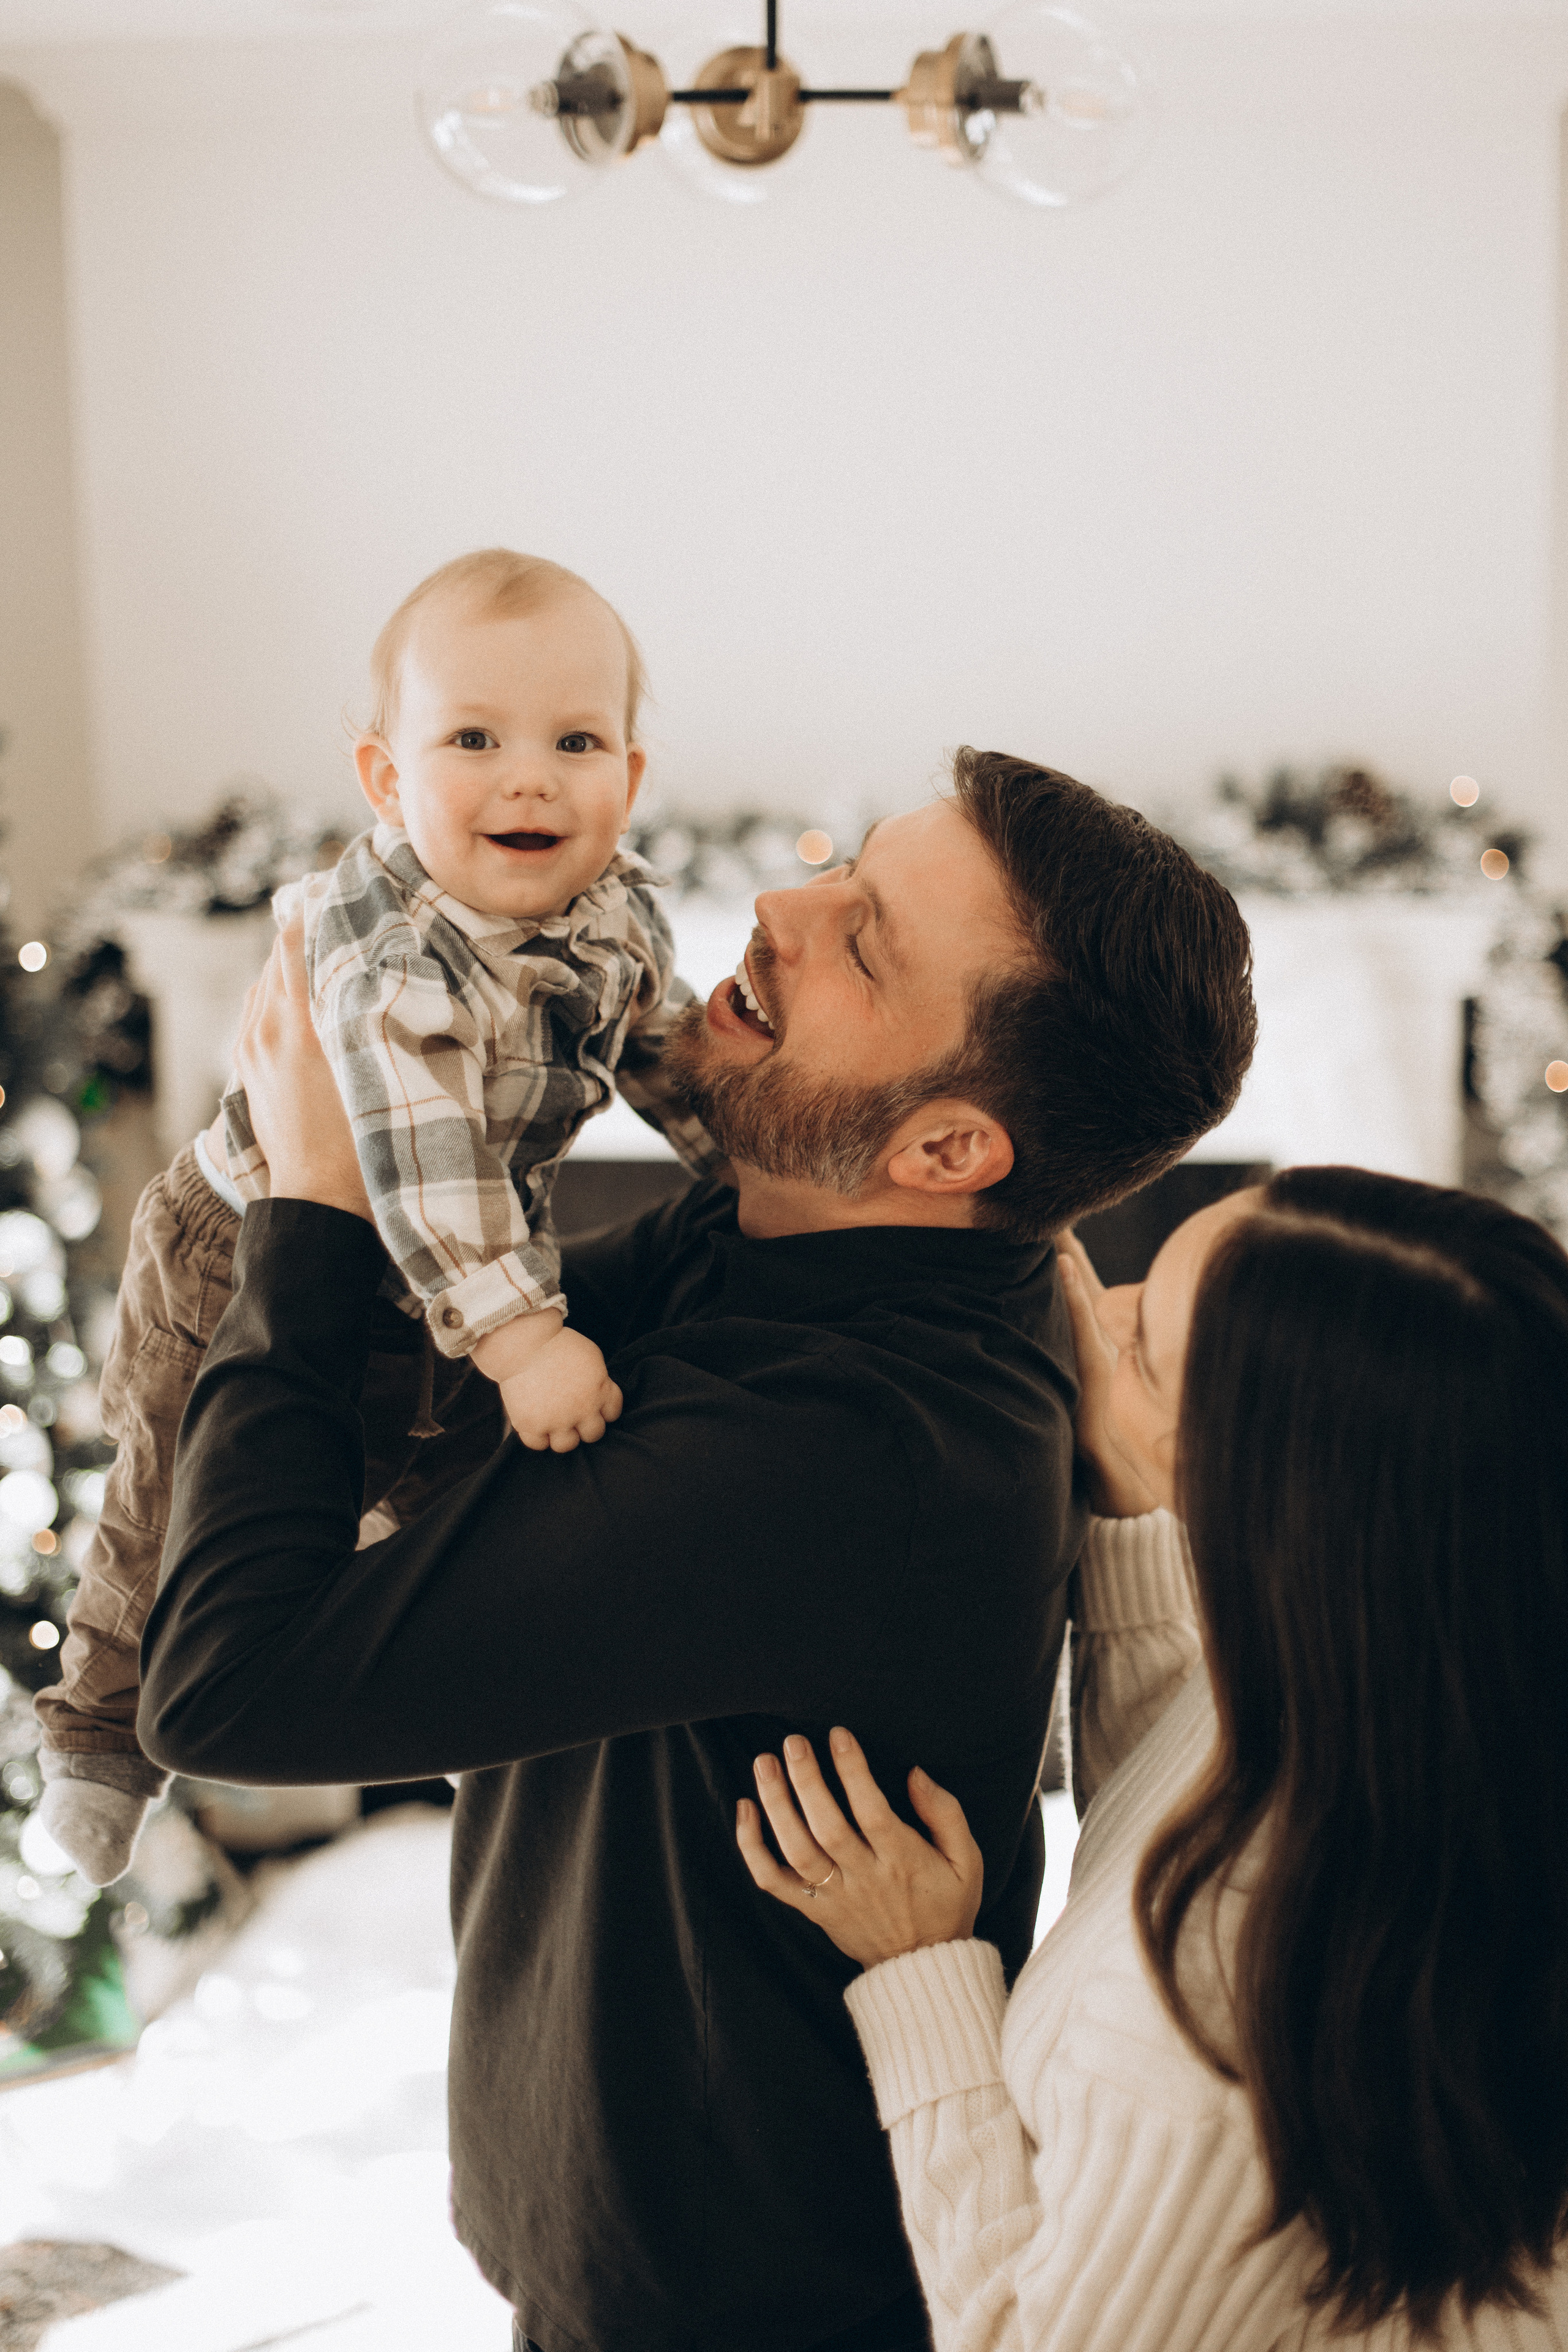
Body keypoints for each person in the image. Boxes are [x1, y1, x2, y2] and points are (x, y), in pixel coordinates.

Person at [138, 750, 1257, 2352]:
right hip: (624, 2244)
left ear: (949, 1153)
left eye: (862, 940)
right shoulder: (798, 1234)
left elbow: (225, 1693)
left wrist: (316, 1202)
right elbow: (440, 1384)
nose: (782, 906)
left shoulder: (848, 1454)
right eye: (845, 865)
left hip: (744, 2306)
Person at [741, 1167, 1568, 2349]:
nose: (1103, 1306)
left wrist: (923, 1971)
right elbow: (1207, 1787)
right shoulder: (1439, 1688)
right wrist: (1136, 1509)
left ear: (1259, 1491)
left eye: (1143, 1348)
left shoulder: (1214, 2033)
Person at [35, 546, 720, 1888]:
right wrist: (524, 1340)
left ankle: (456, 1703)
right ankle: (101, 1738)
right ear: (387, 780)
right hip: (251, 1240)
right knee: (172, 1490)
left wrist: (748, 1166)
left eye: (576, 741)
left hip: (456, 1267)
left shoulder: (616, 913)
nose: (530, 777)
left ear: (630, 779)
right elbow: (422, 1162)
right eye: (474, 738)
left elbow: (666, 1052)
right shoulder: (392, 952)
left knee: (472, 1498)